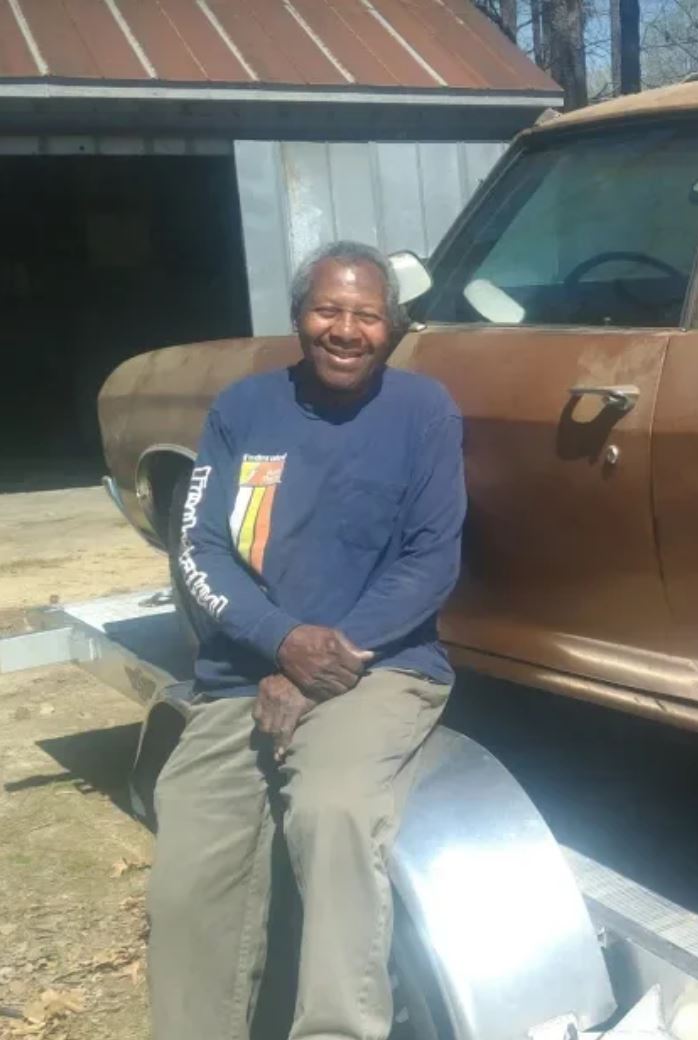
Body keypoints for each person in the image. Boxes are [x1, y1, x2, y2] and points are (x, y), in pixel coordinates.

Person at [147, 241, 466, 1040]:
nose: (347, 330)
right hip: (243, 671)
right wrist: (279, 639)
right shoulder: (243, 409)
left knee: (333, 813)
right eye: (329, 310)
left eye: (367, 315)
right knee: (190, 848)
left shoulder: (423, 412)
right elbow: (201, 548)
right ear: (299, 317)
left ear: (391, 328)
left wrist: (320, 658)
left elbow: (433, 560)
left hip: (380, 668)